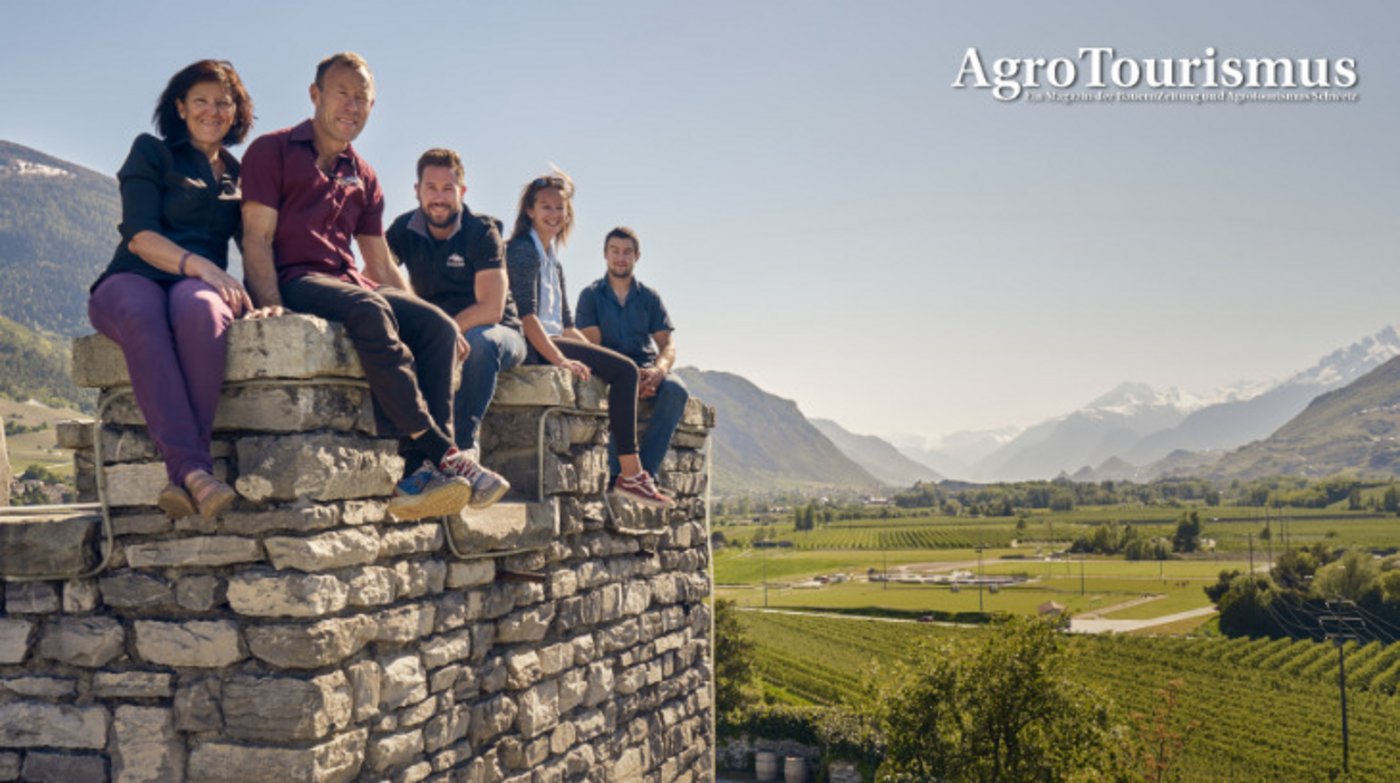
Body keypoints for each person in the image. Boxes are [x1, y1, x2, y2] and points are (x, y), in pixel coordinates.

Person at [239, 52, 475, 521]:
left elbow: (381, 264)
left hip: (349, 279)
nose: (352, 105)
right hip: (297, 278)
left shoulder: (363, 174)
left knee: (439, 329)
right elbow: (256, 237)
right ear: (315, 95)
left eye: (362, 98)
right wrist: (271, 307)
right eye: (342, 93)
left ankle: (418, 473)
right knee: (371, 310)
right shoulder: (273, 150)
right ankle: (440, 450)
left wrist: (438, 318)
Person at [88, 59, 265, 521]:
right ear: (181, 108)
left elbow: (258, 244)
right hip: (133, 277)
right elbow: (139, 236)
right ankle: (195, 469)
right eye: (201, 101)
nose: (212, 110)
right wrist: (200, 265)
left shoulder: (239, 173)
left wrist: (272, 303)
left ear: (236, 111)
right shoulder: (151, 152)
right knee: (142, 312)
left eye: (223, 102)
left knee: (204, 311)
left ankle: (186, 478)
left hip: (196, 288)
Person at [505, 171, 674, 510]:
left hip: (555, 337)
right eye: (546, 207)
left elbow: (567, 324)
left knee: (621, 369)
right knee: (624, 371)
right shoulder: (524, 251)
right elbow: (528, 318)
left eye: (559, 208)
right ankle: (631, 474)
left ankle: (630, 473)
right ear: (530, 211)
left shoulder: (553, 259)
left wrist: (600, 357)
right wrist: (560, 360)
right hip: (536, 344)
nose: (553, 214)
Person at [386, 148, 521, 508]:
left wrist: (445, 330)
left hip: (497, 332)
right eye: (431, 187)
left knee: (478, 342)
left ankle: (463, 452)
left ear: (462, 191)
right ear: (417, 191)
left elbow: (491, 308)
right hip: (444, 331)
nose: (439, 197)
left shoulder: (481, 231)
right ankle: (418, 462)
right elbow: (374, 274)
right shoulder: (403, 229)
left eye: (448, 188)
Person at [576, 226, 689, 482]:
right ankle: (622, 475)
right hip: (609, 368)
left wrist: (658, 372)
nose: (620, 257)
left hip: (647, 368)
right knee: (619, 392)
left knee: (676, 390)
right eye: (614, 251)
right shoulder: (590, 296)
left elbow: (667, 345)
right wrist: (628, 376)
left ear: (637, 256)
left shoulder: (649, 297)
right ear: (605, 254)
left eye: (627, 252)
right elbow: (593, 346)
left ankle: (643, 474)